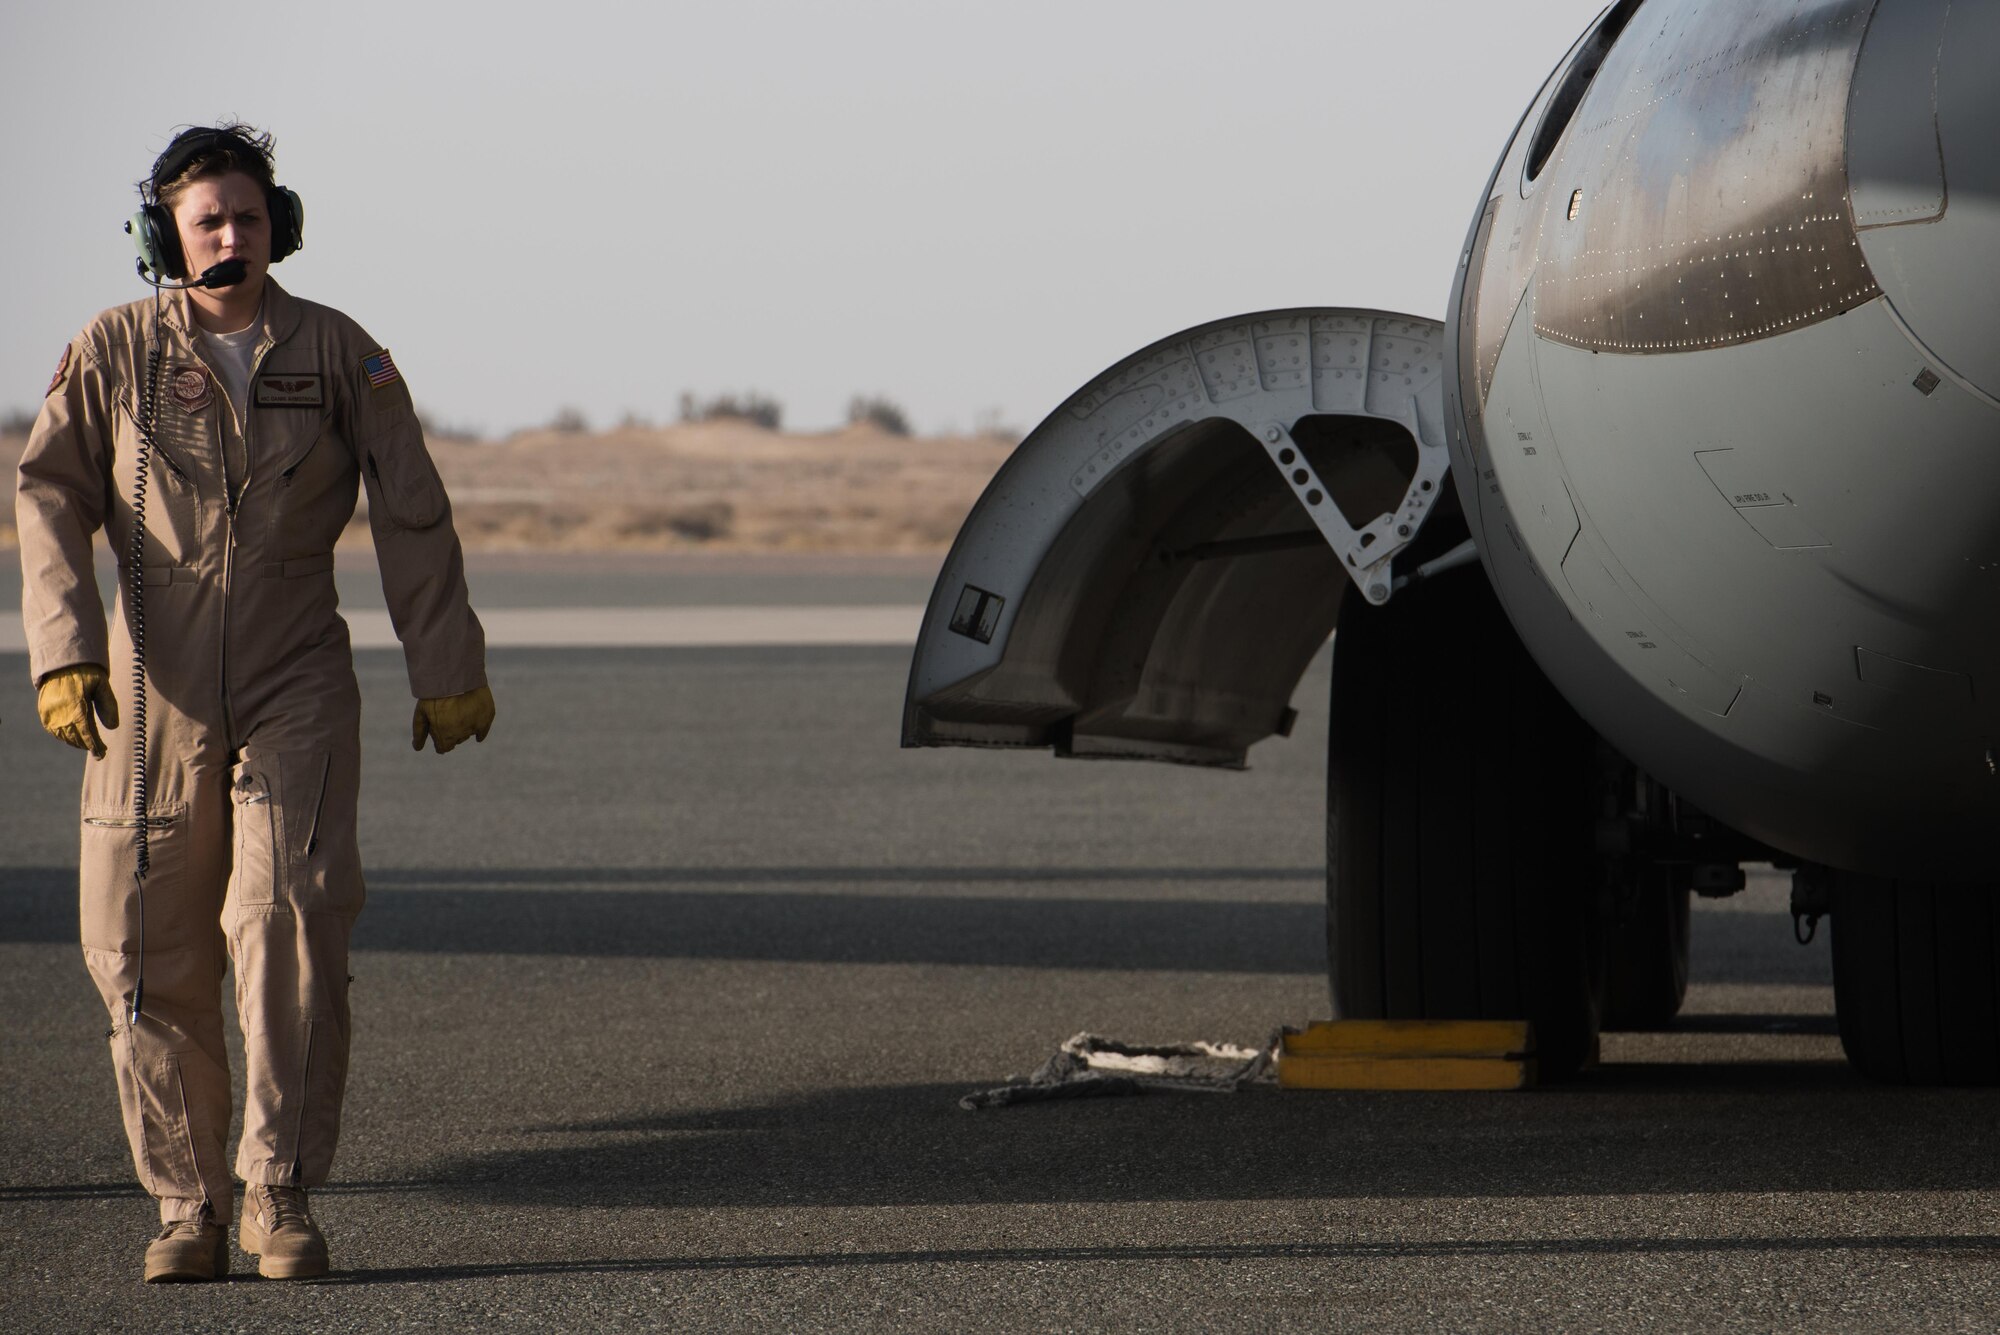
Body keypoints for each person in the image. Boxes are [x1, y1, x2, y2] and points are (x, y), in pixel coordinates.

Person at [16, 124, 495, 1283]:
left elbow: (412, 507)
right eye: (205, 220)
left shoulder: (338, 352)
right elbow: (46, 496)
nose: (229, 237)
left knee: (285, 919)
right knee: (140, 947)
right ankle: (188, 1207)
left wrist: (446, 664)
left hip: (297, 676)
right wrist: (63, 652)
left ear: (280, 221)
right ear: (162, 235)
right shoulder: (114, 349)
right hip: (150, 687)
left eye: (246, 215)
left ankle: (278, 1193)